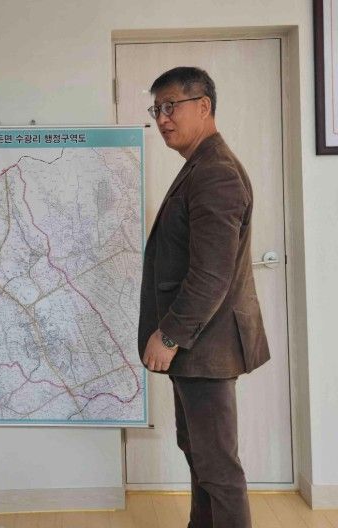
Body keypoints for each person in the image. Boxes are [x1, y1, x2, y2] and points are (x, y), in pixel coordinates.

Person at [138, 66, 270, 528]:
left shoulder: (215, 173)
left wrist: (169, 335)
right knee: (199, 454)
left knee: (217, 467)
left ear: (204, 106)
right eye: (156, 109)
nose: (162, 119)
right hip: (200, 347)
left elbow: (211, 275)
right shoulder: (201, 165)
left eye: (171, 106)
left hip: (205, 344)